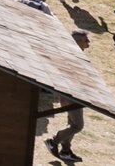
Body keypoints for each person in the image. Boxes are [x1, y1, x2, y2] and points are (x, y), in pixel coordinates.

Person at [43, 30, 89, 160]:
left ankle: (65, 151)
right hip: (71, 95)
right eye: (86, 40)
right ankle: (53, 141)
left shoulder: (77, 54)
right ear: (78, 42)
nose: (88, 42)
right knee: (77, 126)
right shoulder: (72, 57)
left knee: (72, 123)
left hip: (75, 94)